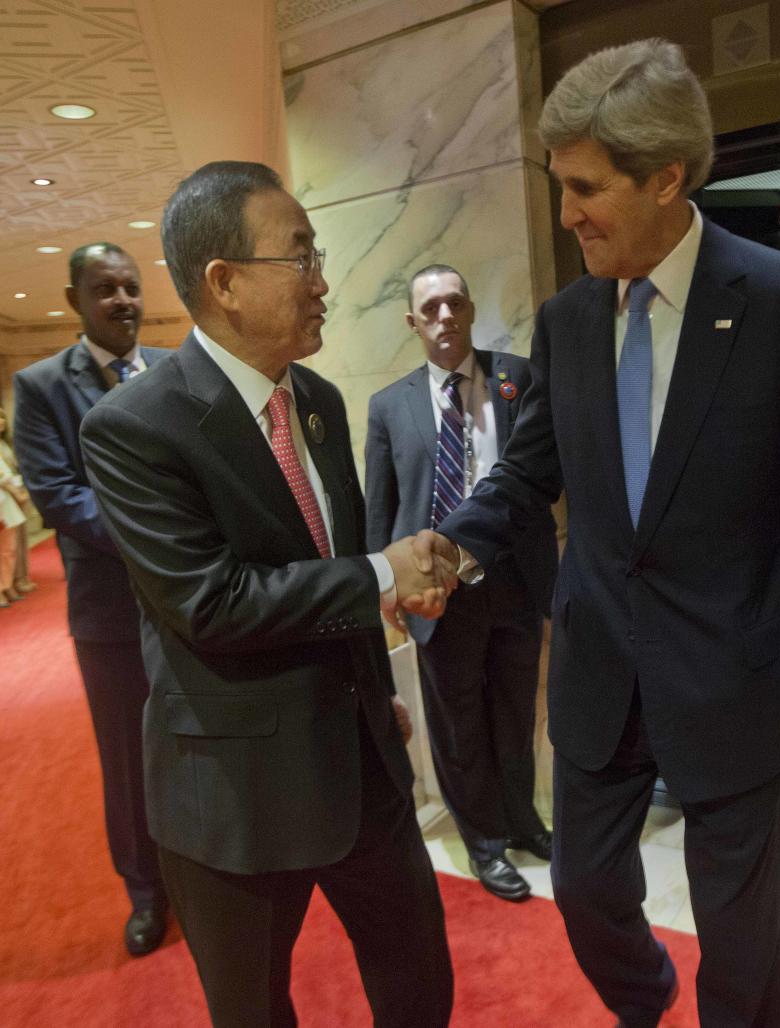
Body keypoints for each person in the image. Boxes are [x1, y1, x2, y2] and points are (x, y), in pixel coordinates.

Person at [416, 39, 780, 1027]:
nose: (568, 213)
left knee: (742, 927)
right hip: (598, 668)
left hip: (733, 670)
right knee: (586, 891)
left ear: (666, 176)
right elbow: (527, 470)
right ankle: (649, 1000)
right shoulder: (567, 320)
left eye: (587, 187)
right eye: (561, 186)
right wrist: (453, 546)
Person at [79, 161, 455, 1028]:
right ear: (224, 283)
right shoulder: (134, 427)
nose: (325, 281)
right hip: (232, 798)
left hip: (362, 764)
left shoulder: (316, 399)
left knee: (420, 986)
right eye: (301, 258)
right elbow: (209, 601)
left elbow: (333, 563)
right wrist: (382, 575)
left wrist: (376, 683)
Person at [365, 264, 558, 901]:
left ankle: (523, 818)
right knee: (458, 725)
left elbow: (536, 480)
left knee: (514, 713)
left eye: (455, 304)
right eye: (431, 309)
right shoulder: (389, 406)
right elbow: (381, 509)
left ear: (470, 310)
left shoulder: (518, 378)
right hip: (436, 596)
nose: (445, 318)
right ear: (412, 322)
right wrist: (386, 589)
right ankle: (484, 841)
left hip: (515, 581)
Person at [13, 244, 169, 954]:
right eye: (105, 289)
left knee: (196, 743)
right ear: (75, 299)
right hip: (110, 616)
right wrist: (168, 542)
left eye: (132, 287)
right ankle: (145, 891)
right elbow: (60, 497)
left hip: (191, 605)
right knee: (129, 759)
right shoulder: (42, 385)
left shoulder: (172, 368)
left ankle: (203, 873)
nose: (123, 301)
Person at [0, 405, 35, 601]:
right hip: (5, 497)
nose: (2, 422)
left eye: (3, 418)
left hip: (10, 498)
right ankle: (5, 587)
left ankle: (12, 582)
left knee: (11, 546)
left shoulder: (5, 444)